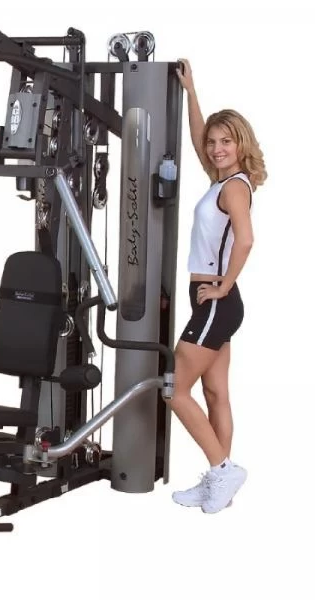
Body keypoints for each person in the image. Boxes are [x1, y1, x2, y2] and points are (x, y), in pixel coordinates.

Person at [170, 59, 267, 513]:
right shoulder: (221, 181)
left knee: (174, 388)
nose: (215, 148)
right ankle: (219, 484)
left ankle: (222, 470)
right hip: (214, 301)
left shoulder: (234, 189)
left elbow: (246, 239)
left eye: (226, 141)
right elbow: (195, 139)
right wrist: (191, 93)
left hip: (216, 299)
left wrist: (224, 286)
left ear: (241, 143)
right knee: (214, 393)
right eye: (213, 142)